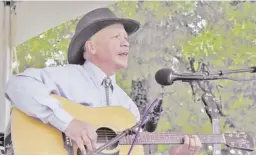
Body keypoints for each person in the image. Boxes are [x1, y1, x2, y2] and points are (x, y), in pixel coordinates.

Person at [5, 8, 201, 154]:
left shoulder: (127, 107)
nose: (126, 42)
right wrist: (68, 124)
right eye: (117, 37)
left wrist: (175, 154)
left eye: (126, 38)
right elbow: (17, 85)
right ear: (91, 47)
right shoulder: (67, 76)